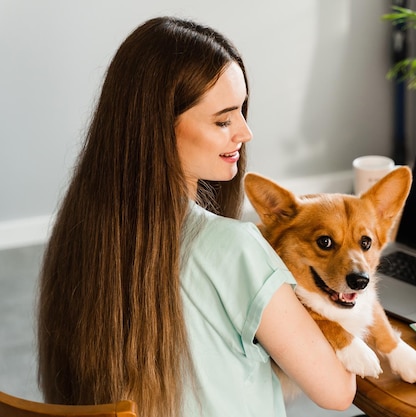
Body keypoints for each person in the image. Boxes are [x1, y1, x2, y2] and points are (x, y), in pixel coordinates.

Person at [37, 16, 356, 417]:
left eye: (241, 111)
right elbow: (337, 392)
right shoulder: (233, 247)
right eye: (223, 120)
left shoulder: (82, 237)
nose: (244, 132)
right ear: (157, 129)